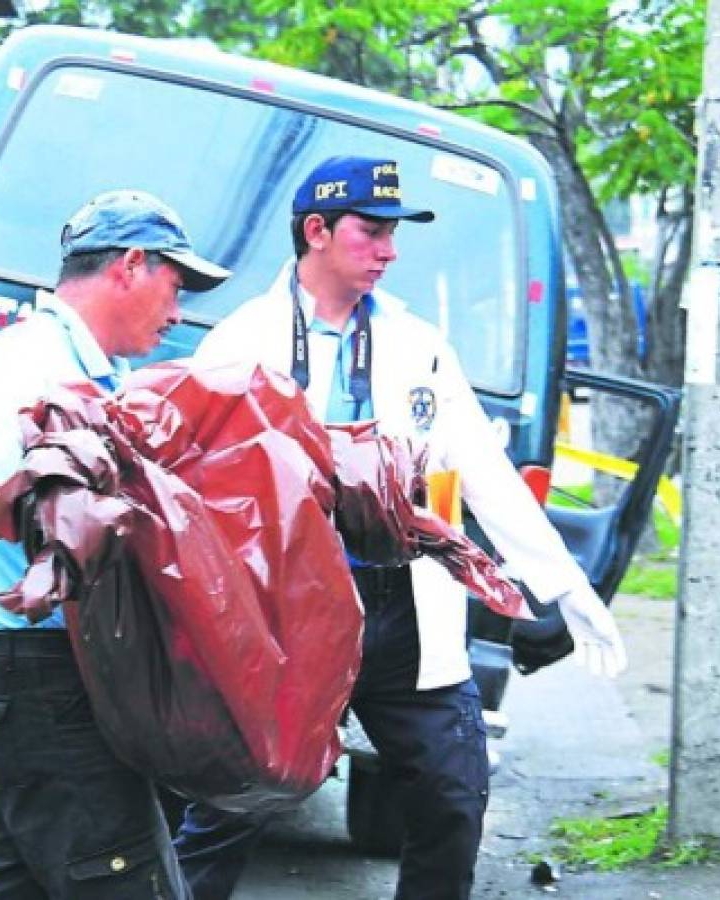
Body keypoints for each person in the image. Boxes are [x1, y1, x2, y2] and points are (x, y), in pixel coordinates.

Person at [176, 156, 628, 900]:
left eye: (393, 233)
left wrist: (561, 587)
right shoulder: (241, 342)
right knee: (232, 806)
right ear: (316, 231)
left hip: (402, 612)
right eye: (371, 231)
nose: (388, 249)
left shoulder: (417, 344)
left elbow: (484, 470)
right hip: (290, 615)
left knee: (453, 798)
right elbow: (195, 488)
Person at [0, 189, 229, 899]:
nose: (177, 312)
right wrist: (48, 498)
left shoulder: (93, 372)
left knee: (12, 886)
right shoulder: (29, 369)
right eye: (173, 286)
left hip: (50, 680)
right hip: (44, 679)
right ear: (129, 265)